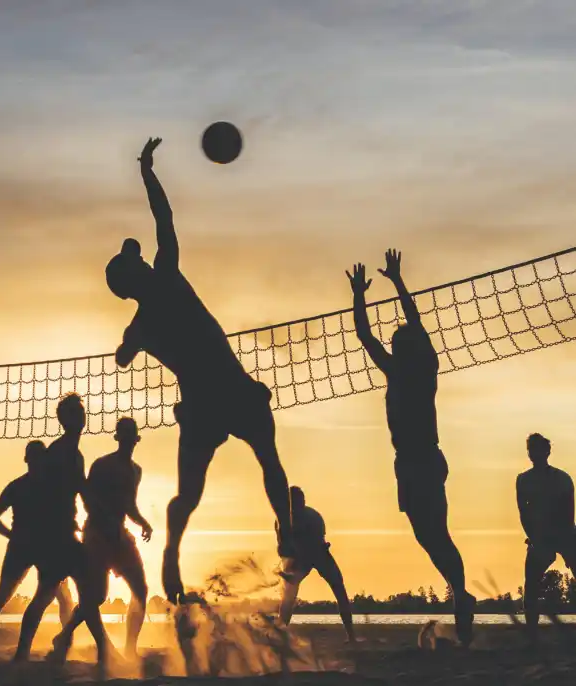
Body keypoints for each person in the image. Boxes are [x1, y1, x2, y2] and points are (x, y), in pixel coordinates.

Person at [104, 137, 295, 603]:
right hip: (229, 388)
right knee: (268, 458)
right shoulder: (165, 275)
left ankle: (171, 553)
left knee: (189, 496)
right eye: (136, 259)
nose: (142, 255)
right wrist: (147, 171)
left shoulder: (141, 322)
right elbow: (163, 218)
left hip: (200, 405)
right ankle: (286, 532)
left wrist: (131, 342)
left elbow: (121, 359)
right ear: (137, 274)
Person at [346, 249, 476, 646]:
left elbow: (382, 332)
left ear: (404, 349)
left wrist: (374, 291)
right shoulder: (408, 369)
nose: (391, 344)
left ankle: (461, 594)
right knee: (428, 534)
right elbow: (374, 335)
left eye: (395, 342)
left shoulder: (415, 370)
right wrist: (378, 288)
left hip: (421, 458)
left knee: (435, 531)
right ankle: (460, 591)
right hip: (412, 461)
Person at [13, 394, 115, 665]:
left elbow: (81, 490)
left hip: (66, 535)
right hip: (55, 537)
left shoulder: (73, 453)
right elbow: (62, 492)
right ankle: (25, 652)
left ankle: (97, 647)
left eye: (81, 413)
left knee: (85, 594)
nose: (81, 418)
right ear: (63, 419)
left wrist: (96, 513)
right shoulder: (60, 452)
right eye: (74, 414)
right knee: (48, 596)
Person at [49, 417, 153, 663]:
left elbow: (129, 505)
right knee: (96, 597)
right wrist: (104, 521)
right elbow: (88, 498)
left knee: (140, 589)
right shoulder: (102, 465)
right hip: (96, 532)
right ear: (118, 438)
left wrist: (143, 522)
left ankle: (130, 648)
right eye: (123, 434)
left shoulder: (136, 470)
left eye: (131, 434)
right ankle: (64, 635)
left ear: (136, 439)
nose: (128, 439)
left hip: (119, 532)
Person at [0, 441, 73, 646]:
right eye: (35, 457)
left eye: (39, 457)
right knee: (6, 596)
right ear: (28, 460)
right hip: (27, 547)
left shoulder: (47, 486)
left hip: (41, 546)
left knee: (61, 595)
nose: (37, 462)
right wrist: (12, 536)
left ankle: (66, 640)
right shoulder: (21, 486)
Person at [517, 433, 576, 642]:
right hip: (539, 536)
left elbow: (570, 512)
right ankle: (531, 631)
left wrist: (565, 541)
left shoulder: (562, 478)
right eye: (531, 450)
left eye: (539, 450)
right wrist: (534, 538)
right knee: (531, 583)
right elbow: (523, 514)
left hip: (565, 533)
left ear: (547, 452)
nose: (535, 454)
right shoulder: (523, 480)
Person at [277, 487, 355, 642]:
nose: (299, 506)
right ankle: (280, 634)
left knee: (339, 588)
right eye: (295, 503)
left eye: (301, 502)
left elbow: (318, 543)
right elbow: (282, 547)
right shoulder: (282, 521)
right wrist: (288, 570)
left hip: (319, 553)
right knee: (288, 596)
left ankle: (351, 635)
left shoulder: (313, 517)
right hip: (298, 558)